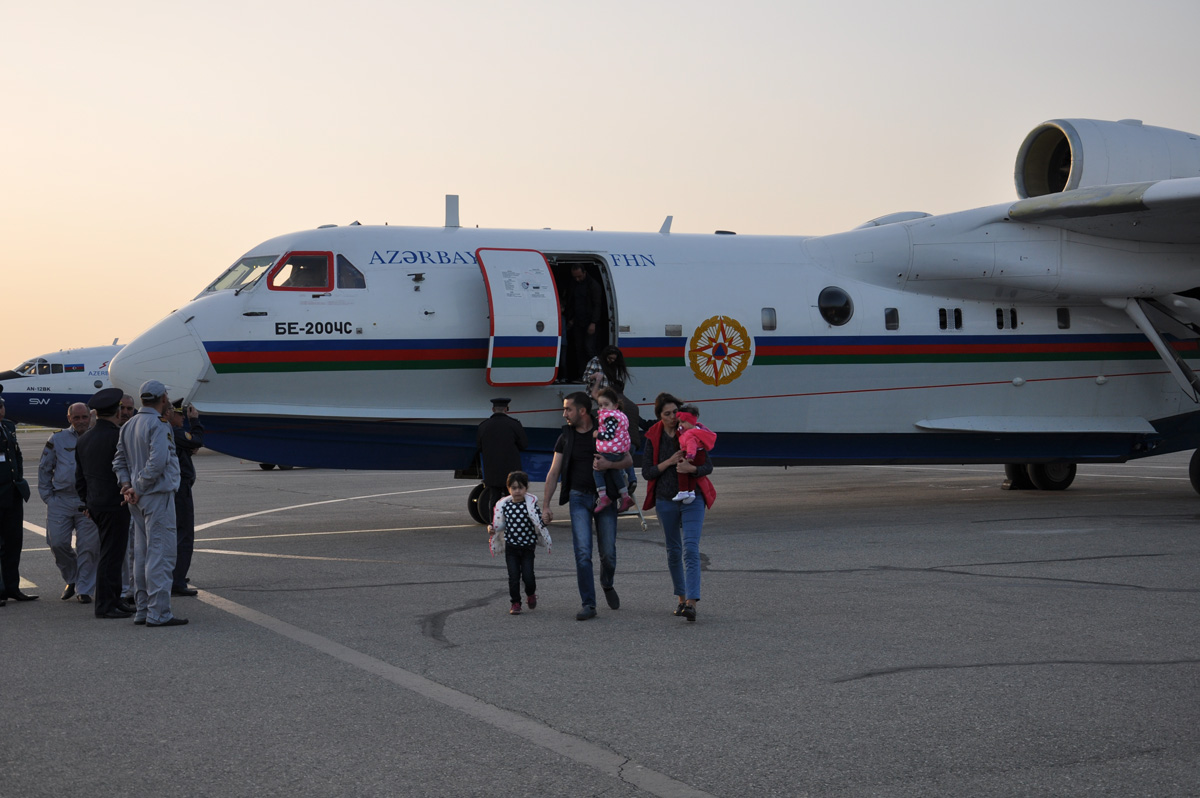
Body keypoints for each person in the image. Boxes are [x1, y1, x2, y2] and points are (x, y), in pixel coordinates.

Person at [541, 392, 631, 620]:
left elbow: (629, 461)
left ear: (582, 411)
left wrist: (610, 463)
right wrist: (546, 505)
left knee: (608, 554)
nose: (564, 414)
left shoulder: (605, 429)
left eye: (567, 409)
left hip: (606, 498)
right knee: (583, 553)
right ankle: (589, 604)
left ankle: (607, 583)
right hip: (579, 498)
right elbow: (553, 473)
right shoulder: (566, 437)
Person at [113, 380, 185, 627]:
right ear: (163, 398)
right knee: (160, 554)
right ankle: (159, 612)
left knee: (141, 554)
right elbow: (158, 462)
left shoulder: (129, 424)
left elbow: (119, 462)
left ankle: (143, 609)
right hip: (155, 495)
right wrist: (138, 487)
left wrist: (126, 486)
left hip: (136, 497)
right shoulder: (158, 424)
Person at [642, 393, 715, 623]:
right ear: (659, 417)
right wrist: (670, 462)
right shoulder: (653, 437)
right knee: (673, 551)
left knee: (690, 548)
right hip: (666, 499)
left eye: (675, 412)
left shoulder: (691, 431)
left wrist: (691, 470)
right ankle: (681, 600)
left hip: (694, 497)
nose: (674, 417)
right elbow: (647, 472)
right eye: (667, 414)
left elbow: (708, 466)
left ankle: (692, 603)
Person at [75, 388, 135, 618]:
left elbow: (79, 478)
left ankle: (114, 599)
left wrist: (87, 503)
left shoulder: (85, 438)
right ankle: (105, 605)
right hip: (115, 503)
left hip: (97, 504)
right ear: (118, 411)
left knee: (113, 553)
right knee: (112, 556)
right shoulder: (118, 436)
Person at [38, 403, 101, 604]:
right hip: (61, 499)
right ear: (69, 419)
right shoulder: (57, 439)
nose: (81, 421)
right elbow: (44, 468)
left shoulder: (97, 437)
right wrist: (48, 496)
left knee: (89, 547)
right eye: (77, 418)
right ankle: (72, 578)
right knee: (57, 543)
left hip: (89, 500)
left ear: (90, 417)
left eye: (84, 417)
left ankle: (84, 589)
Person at [488, 471, 551, 615]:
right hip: (511, 547)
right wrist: (493, 529)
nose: (517, 491)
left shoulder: (531, 506)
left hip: (528, 547)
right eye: (514, 488)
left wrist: (545, 521)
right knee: (513, 576)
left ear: (526, 488)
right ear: (508, 488)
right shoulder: (505, 506)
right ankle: (515, 602)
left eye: (520, 488)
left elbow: (538, 523)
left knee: (528, 576)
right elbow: (502, 525)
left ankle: (530, 593)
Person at [0, 392, 37, 603]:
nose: (1, 410)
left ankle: (12, 588)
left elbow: (17, 456)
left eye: (1, 406)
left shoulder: (8, 426)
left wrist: (19, 480)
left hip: (13, 493)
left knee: (14, 543)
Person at [168, 400, 203, 597]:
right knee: (184, 534)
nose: (183, 417)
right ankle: (177, 580)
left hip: (177, 488)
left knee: (175, 533)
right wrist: (195, 422)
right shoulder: (175, 432)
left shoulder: (169, 433)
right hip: (180, 490)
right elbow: (196, 440)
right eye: (180, 414)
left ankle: (176, 573)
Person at [592, 387, 635, 513]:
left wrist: (596, 434)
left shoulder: (610, 418)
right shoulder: (620, 416)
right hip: (619, 451)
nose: (603, 408)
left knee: (598, 471)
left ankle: (603, 496)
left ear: (615, 405)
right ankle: (625, 496)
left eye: (606, 404)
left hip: (609, 451)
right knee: (616, 472)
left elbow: (609, 434)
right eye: (600, 405)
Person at [475, 397, 527, 493]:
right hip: (511, 470)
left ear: (493, 410)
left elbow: (479, 447)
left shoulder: (483, 426)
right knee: (512, 497)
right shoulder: (514, 424)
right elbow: (523, 445)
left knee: (494, 497)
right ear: (506, 409)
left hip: (492, 470)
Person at [563, 264, 603, 380]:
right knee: (579, 348)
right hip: (578, 322)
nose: (577, 279)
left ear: (585, 273)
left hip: (590, 322)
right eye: (575, 277)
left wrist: (593, 322)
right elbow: (574, 303)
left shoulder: (593, 285)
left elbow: (597, 305)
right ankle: (582, 374)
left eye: (579, 276)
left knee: (589, 348)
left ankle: (597, 374)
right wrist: (572, 319)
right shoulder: (574, 285)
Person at [672, 407, 717, 505]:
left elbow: (691, 445)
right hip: (700, 455)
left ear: (690, 422)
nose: (680, 425)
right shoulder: (698, 430)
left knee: (682, 471)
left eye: (682, 422)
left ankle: (683, 491)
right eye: (679, 422)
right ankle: (691, 492)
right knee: (691, 475)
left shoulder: (689, 434)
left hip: (692, 455)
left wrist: (690, 456)